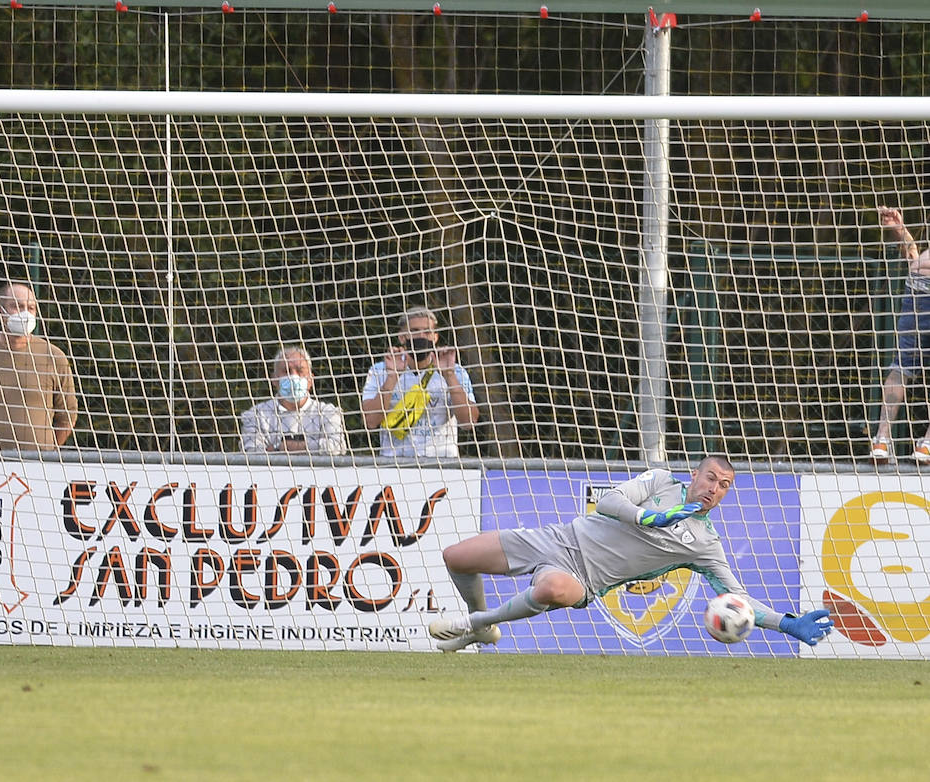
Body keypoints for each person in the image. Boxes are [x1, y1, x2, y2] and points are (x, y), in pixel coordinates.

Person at [427, 454, 834, 652]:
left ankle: (474, 622)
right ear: (694, 474)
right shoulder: (658, 481)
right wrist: (646, 518)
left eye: (724, 485)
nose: (715, 488)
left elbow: (738, 599)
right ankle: (482, 630)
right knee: (455, 556)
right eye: (711, 477)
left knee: (552, 588)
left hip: (583, 580)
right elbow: (607, 502)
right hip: (556, 539)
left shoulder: (705, 544)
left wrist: (786, 624)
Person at [0, 281, 78, 450]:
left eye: (31, 308)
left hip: (38, 464)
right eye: (17, 306)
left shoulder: (54, 357)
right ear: (0, 310)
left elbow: (67, 416)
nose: (25, 313)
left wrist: (46, 451)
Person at [360, 306, 479, 457]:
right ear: (402, 337)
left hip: (442, 462)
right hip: (394, 460)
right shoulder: (380, 370)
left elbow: (469, 422)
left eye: (427, 332)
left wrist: (449, 376)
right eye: (415, 331)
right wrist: (392, 377)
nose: (421, 336)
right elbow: (370, 422)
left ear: (435, 337)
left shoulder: (456, 371)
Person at [870, 205, 930, 463]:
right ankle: (925, 445)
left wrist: (902, 232)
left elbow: (916, 260)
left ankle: (882, 440)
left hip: (919, 279)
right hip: (920, 281)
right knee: (902, 365)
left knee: (902, 365)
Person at [239, 345, 348, 455]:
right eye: (286, 371)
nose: (293, 376)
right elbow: (252, 451)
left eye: (300, 371)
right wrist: (313, 447)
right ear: (274, 379)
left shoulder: (327, 412)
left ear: (310, 380)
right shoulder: (257, 415)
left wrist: (282, 447)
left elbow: (337, 446)